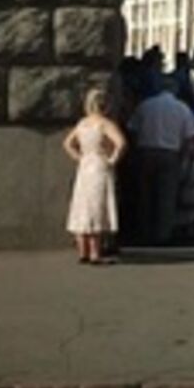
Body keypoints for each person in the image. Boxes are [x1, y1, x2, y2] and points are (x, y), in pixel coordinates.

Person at [127, 78, 194, 245]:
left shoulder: (145, 105)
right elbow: (190, 135)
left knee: (145, 194)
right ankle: (163, 234)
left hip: (146, 151)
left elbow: (132, 128)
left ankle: (144, 231)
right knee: (167, 196)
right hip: (170, 153)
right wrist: (186, 156)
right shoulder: (182, 108)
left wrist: (136, 148)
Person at [64, 88, 127, 265]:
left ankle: (82, 250)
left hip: (85, 165)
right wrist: (112, 159)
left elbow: (68, 143)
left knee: (82, 205)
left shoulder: (82, 124)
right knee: (97, 206)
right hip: (99, 164)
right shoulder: (105, 124)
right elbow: (121, 143)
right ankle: (95, 252)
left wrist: (79, 157)